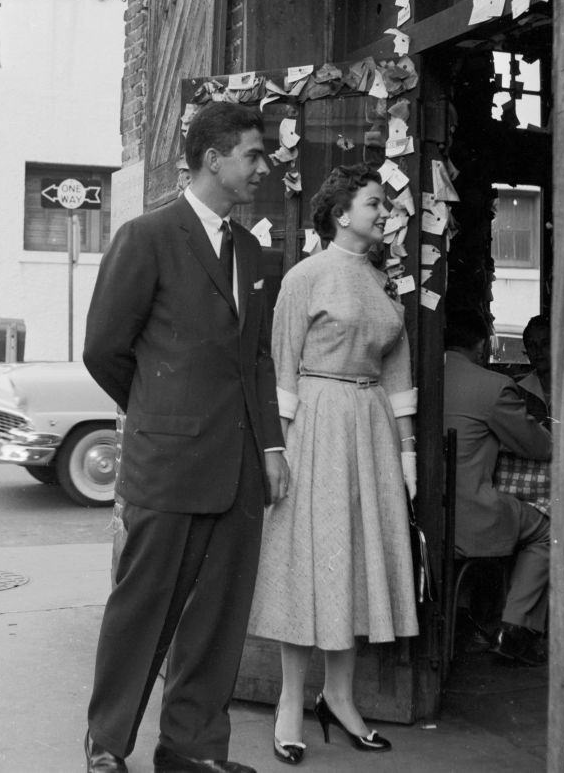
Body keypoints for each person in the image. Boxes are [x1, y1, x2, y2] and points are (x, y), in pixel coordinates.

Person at [82, 102, 289, 773]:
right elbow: (104, 348)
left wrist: (271, 445)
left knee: (219, 618)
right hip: (167, 462)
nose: (265, 167)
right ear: (213, 159)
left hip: (238, 469)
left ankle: (192, 748)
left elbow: (256, 358)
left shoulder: (255, 252)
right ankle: (108, 745)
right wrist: (159, 414)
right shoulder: (148, 237)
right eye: (254, 156)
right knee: (143, 608)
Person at [249, 164, 420, 765]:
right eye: (374, 203)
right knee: (311, 560)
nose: (384, 212)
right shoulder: (305, 277)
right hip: (317, 424)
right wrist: (281, 448)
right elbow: (283, 364)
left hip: (370, 425)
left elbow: (398, 368)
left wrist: (407, 450)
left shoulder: (382, 282)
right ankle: (290, 703)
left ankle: (340, 698)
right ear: (342, 214)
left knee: (354, 559)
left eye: (383, 204)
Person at [443, 310, 552, 665]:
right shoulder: (492, 386)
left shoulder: (419, 375)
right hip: (469, 519)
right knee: (548, 529)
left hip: (425, 519)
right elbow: (539, 447)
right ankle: (515, 628)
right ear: (482, 344)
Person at [494, 315, 552, 516]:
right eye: (532, 346)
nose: (538, 352)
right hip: (527, 491)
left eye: (545, 344)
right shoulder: (517, 390)